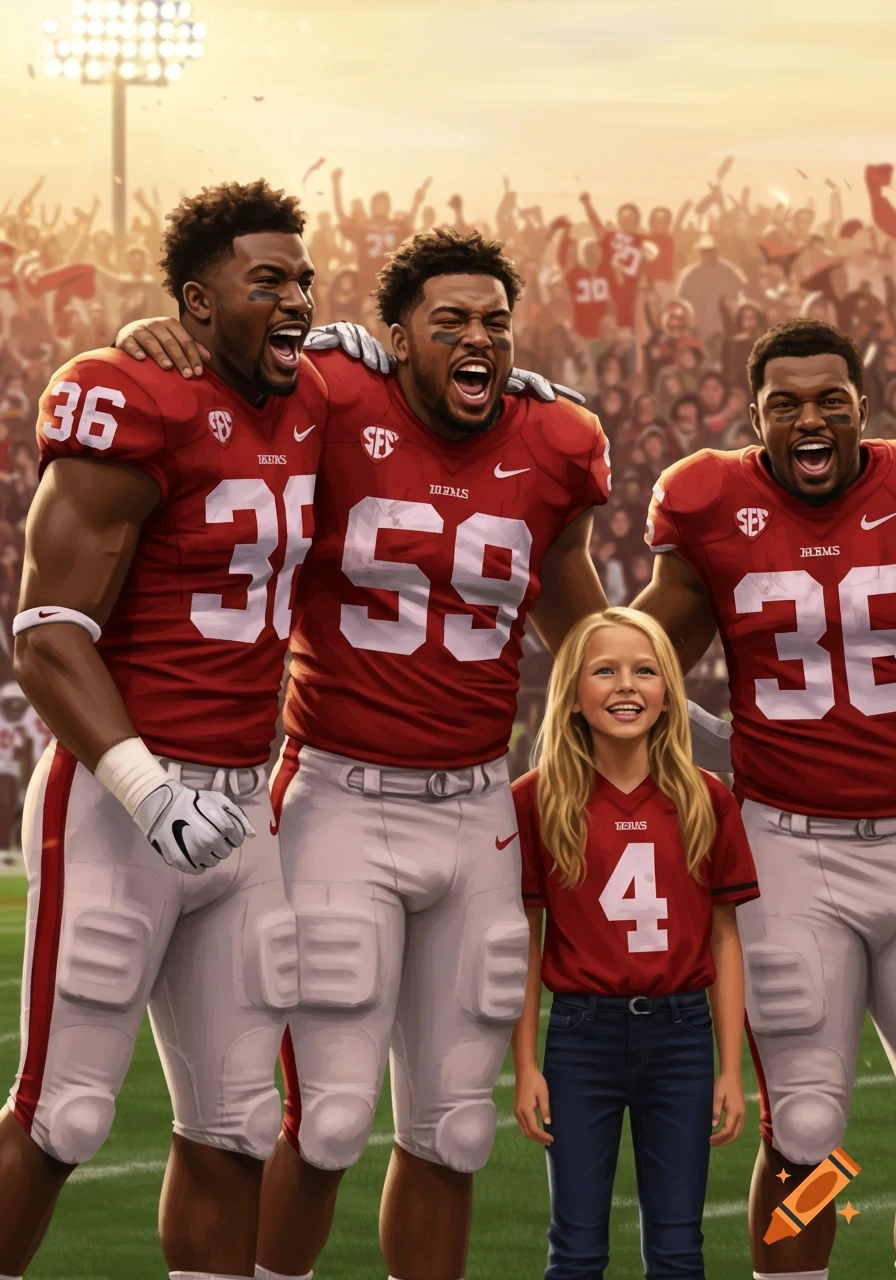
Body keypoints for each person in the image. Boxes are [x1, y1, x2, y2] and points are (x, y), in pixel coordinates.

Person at [116, 226, 613, 1280]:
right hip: (339, 793)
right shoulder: (334, 394)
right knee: (332, 1116)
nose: (477, 338)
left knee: (453, 1126)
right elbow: (227, 381)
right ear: (396, 335)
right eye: (448, 322)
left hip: (477, 802)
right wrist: (156, 338)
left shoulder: (557, 437)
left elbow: (582, 627)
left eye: (493, 321)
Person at [0, 178, 328, 1280]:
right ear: (197, 300)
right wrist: (146, 788)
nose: (294, 299)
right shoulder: (127, 392)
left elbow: (403, 362)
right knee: (64, 1112)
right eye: (265, 281)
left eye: (303, 279)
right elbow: (45, 631)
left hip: (244, 800)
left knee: (237, 1121)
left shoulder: (319, 393)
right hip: (121, 796)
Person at [636, 317, 896, 1280]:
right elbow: (638, 667)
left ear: (862, 408)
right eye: (785, 403)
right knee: (809, 1124)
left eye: (831, 398)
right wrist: (712, 753)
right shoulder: (712, 502)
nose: (811, 417)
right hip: (793, 849)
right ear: (756, 418)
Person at [511, 607, 756, 1280]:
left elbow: (724, 934)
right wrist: (527, 1062)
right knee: (577, 1250)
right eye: (606, 670)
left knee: (679, 1250)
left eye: (645, 670)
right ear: (573, 692)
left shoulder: (707, 798)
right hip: (581, 1037)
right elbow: (525, 942)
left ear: (669, 691)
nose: (627, 686)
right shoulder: (538, 799)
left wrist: (730, 1068)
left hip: (682, 1034)